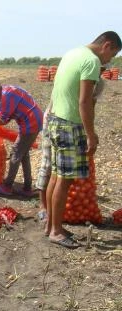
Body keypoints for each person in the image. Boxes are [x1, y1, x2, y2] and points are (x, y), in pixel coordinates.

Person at [44, 31, 121, 249]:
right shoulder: (91, 61)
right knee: (65, 180)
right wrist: (91, 134)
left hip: (56, 120)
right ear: (107, 45)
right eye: (112, 54)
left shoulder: (73, 52)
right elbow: (85, 101)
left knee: (56, 176)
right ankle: (56, 232)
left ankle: (51, 226)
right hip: (70, 124)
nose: (109, 60)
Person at [36, 66, 107, 223]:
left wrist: (90, 132)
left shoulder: (99, 84)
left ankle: (58, 215)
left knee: (63, 172)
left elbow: (90, 107)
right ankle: (43, 208)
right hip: (54, 120)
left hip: (74, 125)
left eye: (101, 70)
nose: (98, 72)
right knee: (49, 166)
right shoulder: (74, 77)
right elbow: (79, 103)